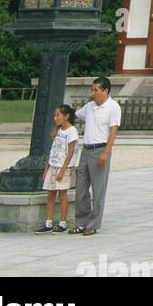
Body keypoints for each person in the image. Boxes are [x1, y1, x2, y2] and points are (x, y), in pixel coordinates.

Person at [70, 77, 120, 236]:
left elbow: (113, 131)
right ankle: (81, 221)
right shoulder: (90, 107)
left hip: (100, 149)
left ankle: (93, 223)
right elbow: (75, 116)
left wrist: (106, 152)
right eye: (92, 90)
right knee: (81, 188)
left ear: (105, 91)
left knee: (98, 189)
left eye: (96, 90)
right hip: (86, 149)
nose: (93, 94)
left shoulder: (113, 107)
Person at [37, 105, 78, 233]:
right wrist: (47, 168)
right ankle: (48, 222)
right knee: (50, 194)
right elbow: (53, 150)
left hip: (63, 167)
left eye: (58, 115)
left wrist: (63, 169)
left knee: (62, 195)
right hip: (53, 165)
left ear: (66, 116)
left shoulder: (72, 131)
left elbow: (70, 152)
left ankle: (62, 222)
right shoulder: (58, 130)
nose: (55, 118)